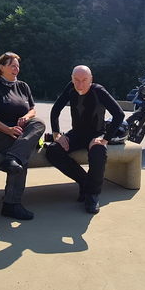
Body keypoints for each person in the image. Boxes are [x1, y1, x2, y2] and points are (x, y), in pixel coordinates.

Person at [47, 65, 125, 214]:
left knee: (98, 153)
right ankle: (84, 182)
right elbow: (56, 109)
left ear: (91, 79)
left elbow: (119, 115)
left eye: (84, 80)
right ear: (72, 79)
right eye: (76, 80)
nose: (80, 85)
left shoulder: (99, 91)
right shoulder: (70, 88)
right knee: (52, 151)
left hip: (97, 134)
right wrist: (57, 134)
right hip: (76, 133)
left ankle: (92, 195)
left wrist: (105, 140)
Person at [0, 52, 46, 221]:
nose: (17, 69)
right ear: (2, 68)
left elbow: (33, 109)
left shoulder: (23, 86)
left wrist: (27, 117)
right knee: (21, 157)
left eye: (17, 66)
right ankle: (12, 204)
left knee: (39, 123)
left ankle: (12, 158)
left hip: (20, 132)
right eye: (12, 65)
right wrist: (8, 129)